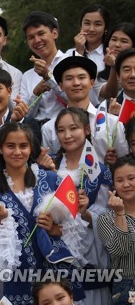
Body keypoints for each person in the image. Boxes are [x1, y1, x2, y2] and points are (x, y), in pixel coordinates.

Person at [0, 123, 81, 304]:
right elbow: (0, 257)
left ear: (31, 148)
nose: (17, 152)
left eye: (23, 146)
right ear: (0, 149)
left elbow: (75, 232)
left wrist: (54, 229)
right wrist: (3, 221)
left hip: (55, 273)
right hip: (20, 278)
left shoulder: (52, 180)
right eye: (11, 146)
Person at [53, 108, 112, 304]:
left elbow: (109, 215)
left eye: (73, 128)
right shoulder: (50, 168)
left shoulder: (99, 171)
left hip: (90, 251)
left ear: (87, 129)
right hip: (57, 246)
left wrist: (87, 214)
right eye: (61, 130)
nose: (67, 135)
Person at [41, 55, 128, 164]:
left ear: (91, 83)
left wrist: (115, 163)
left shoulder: (112, 123)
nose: (76, 83)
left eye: (81, 77)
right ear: (61, 86)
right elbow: (49, 165)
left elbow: (125, 161)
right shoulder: (49, 128)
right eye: (69, 78)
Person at [98, 155, 135, 305]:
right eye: (119, 180)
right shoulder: (106, 218)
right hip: (127, 285)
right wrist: (120, 213)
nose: (126, 184)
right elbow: (120, 249)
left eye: (131, 178)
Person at [20, 11, 68, 123]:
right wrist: (36, 93)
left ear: (54, 33)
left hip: (67, 129)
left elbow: (76, 100)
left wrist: (48, 78)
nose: (37, 40)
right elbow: (24, 116)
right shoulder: (27, 76)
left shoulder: (71, 62)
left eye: (41, 34)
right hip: (38, 134)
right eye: (31, 37)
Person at [96, 22, 135, 101]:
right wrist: (113, 67)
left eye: (124, 41)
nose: (117, 45)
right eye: (114, 39)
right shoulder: (97, 68)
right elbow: (110, 94)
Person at [67, 5, 110, 74]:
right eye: (87, 23)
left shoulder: (110, 54)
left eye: (97, 24)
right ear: (81, 26)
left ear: (106, 28)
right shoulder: (69, 54)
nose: (91, 29)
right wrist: (79, 51)